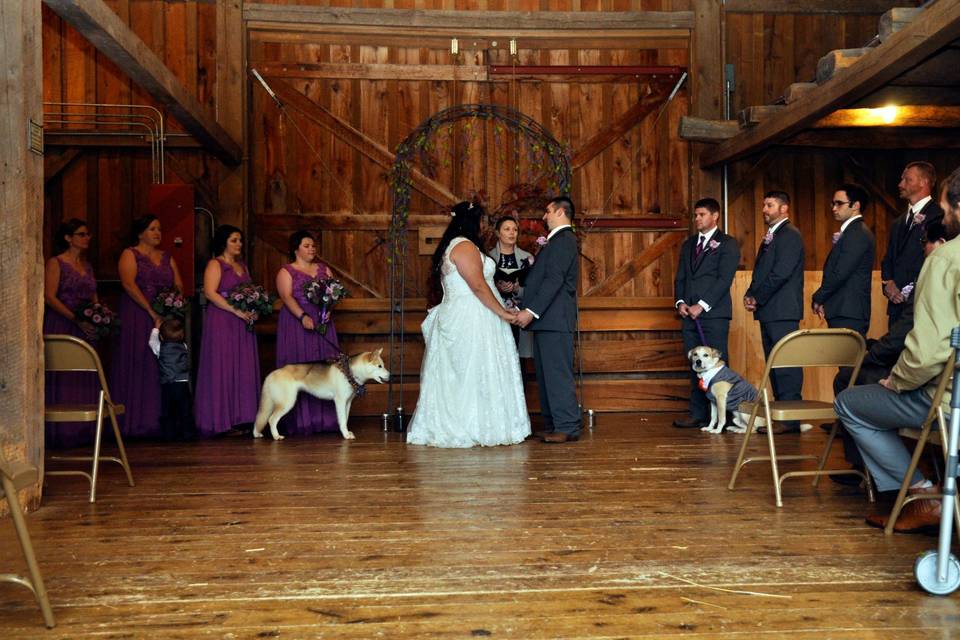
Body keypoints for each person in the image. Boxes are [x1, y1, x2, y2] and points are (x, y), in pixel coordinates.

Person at [835, 167, 960, 533]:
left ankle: (923, 496)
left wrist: (899, 380)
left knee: (850, 402)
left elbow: (927, 353)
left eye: (946, 209)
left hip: (948, 399)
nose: (944, 218)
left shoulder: (945, 260)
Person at [829, 220, 953, 484]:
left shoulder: (941, 267)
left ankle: (916, 490)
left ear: (941, 245)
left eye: (924, 243)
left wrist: (895, 378)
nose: (922, 250)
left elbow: (923, 353)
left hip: (942, 396)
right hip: (938, 377)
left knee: (849, 392)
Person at [407, 201, 530, 448]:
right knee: (471, 369)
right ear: (473, 221)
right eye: (482, 220)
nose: (484, 225)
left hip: (475, 314)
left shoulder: (464, 245)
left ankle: (485, 421)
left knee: (477, 370)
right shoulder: (463, 246)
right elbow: (477, 285)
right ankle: (470, 425)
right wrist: (502, 313)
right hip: (470, 317)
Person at [515, 196, 581, 443]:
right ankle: (554, 423)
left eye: (548, 211)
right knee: (545, 374)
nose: (544, 216)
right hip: (547, 321)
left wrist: (529, 311)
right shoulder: (555, 242)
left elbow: (554, 280)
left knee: (557, 374)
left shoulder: (564, 241)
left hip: (554, 320)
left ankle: (567, 426)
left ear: (561, 212)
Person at [112, 215, 184, 439]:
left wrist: (173, 302)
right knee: (138, 360)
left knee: (162, 366)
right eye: (152, 229)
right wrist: (151, 311)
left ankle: (158, 420)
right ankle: (133, 421)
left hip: (163, 316)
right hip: (138, 314)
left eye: (159, 229)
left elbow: (178, 283)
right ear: (140, 232)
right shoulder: (130, 254)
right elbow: (129, 285)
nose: (157, 233)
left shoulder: (166, 257)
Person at [672, 198, 740, 429]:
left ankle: (728, 414)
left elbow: (724, 279)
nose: (697, 219)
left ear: (715, 216)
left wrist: (702, 304)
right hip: (689, 315)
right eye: (696, 215)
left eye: (702, 214)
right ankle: (698, 412)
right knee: (695, 363)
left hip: (714, 314)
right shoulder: (689, 244)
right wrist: (680, 302)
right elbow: (681, 276)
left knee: (718, 366)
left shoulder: (728, 244)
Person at [743, 191, 805, 433]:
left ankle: (790, 419)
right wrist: (750, 293)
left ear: (784, 208)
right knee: (775, 364)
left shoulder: (790, 235)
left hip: (783, 310)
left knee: (786, 365)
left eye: (769, 205)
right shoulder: (773, 235)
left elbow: (781, 272)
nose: (764, 210)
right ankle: (783, 417)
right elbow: (762, 271)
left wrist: (758, 297)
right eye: (764, 206)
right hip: (770, 310)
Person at [194, 225, 262, 437]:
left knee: (242, 366)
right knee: (223, 365)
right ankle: (221, 420)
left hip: (242, 323)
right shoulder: (216, 264)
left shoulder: (242, 266)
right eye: (234, 240)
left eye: (240, 240)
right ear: (223, 242)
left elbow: (250, 292)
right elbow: (210, 293)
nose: (239, 244)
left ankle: (242, 417)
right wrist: (236, 311)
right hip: (223, 320)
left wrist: (253, 309)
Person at [275, 230, 340, 435]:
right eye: (306, 245)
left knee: (325, 368)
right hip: (297, 323)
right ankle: (300, 421)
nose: (311, 249)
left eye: (313, 245)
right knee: (301, 370)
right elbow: (286, 297)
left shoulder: (323, 269)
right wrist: (302, 316)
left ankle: (325, 420)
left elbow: (333, 293)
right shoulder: (286, 271)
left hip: (322, 322)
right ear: (296, 249)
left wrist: (328, 311)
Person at [43, 218, 99, 448]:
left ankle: (84, 431)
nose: (87, 238)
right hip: (63, 322)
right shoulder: (56, 262)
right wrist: (74, 317)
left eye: (87, 234)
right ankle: (63, 431)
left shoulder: (87, 265)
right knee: (64, 373)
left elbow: (93, 294)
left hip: (86, 324)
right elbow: (50, 296)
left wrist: (98, 314)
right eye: (81, 234)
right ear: (68, 238)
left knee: (84, 373)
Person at [881, 161, 943, 324]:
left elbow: (936, 259)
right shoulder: (898, 222)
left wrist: (913, 288)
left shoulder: (939, 216)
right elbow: (889, 258)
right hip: (896, 307)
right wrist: (888, 283)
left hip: (922, 305)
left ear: (923, 182)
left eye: (907, 180)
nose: (900, 184)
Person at [811, 184, 876, 336]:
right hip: (843, 309)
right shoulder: (852, 231)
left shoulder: (857, 232)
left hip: (849, 311)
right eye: (833, 203)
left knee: (847, 359)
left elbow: (841, 272)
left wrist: (819, 297)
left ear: (856, 205)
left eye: (839, 203)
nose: (834, 208)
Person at [488, 215, 535, 358]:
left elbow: (534, 290)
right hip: (496, 314)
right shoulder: (488, 258)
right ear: (497, 233)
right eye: (507, 229)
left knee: (517, 359)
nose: (512, 233)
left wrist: (517, 289)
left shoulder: (527, 258)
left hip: (518, 316)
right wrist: (497, 287)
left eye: (515, 229)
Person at [149, 318, 195, 441]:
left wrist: (156, 328)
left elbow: (152, 342)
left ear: (162, 338)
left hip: (168, 385)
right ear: (182, 336)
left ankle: (169, 434)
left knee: (168, 412)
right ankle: (188, 434)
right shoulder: (184, 346)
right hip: (182, 384)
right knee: (185, 411)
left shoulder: (160, 348)